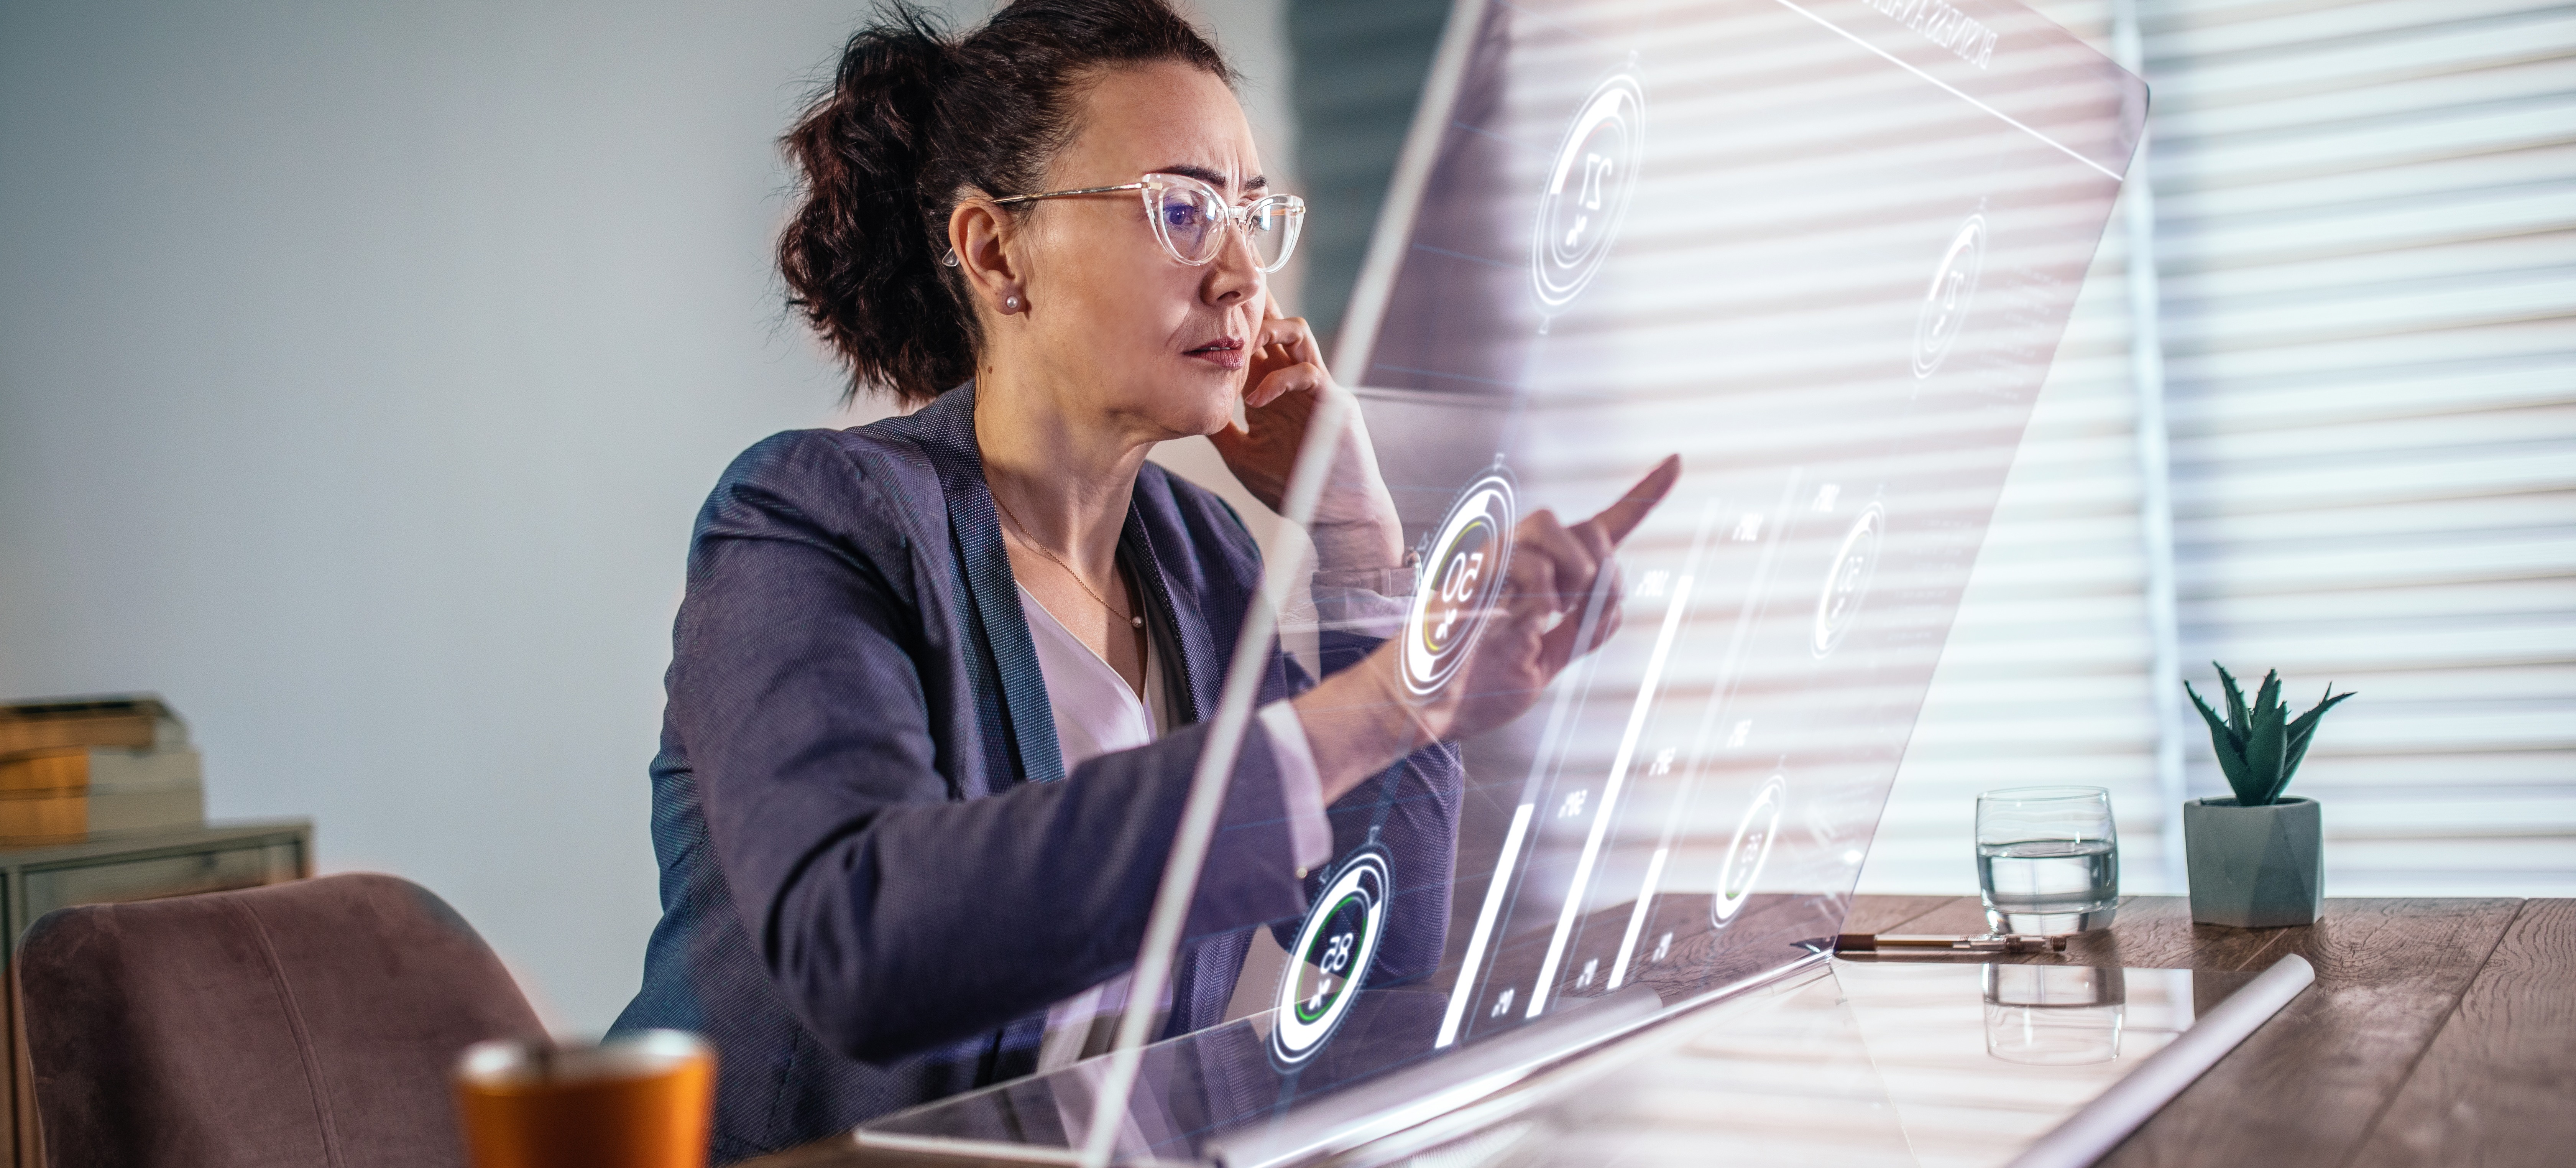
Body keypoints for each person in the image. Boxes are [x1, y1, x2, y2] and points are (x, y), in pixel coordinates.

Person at [609, 0, 1678, 1159]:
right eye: (1180, 210)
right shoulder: (815, 516)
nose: (1241, 277)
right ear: (994, 252)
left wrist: (1358, 538)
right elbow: (862, 948)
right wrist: (1390, 703)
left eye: (1251, 216)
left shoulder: (1194, 555)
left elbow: (1379, 930)